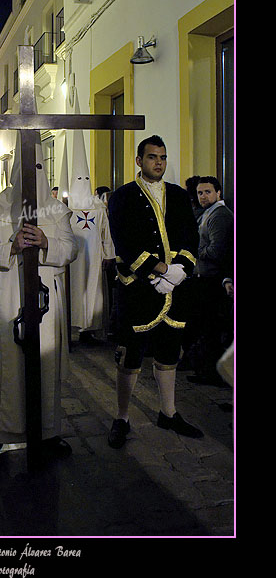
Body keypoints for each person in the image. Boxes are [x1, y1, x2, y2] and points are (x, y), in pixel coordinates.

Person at [0, 134, 78, 461]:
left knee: (46, 363)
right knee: (4, 366)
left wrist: (46, 242)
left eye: (37, 169)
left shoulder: (58, 211)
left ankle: (47, 431)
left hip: (45, 300)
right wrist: (11, 247)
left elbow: (71, 248)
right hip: (6, 293)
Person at [107, 135, 203, 448]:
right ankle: (121, 417)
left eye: (162, 157)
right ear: (139, 160)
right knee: (131, 353)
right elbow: (124, 240)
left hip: (176, 289)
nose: (158, 162)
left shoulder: (177, 194)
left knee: (168, 351)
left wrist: (181, 269)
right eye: (152, 157)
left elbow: (190, 233)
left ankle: (168, 412)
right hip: (138, 288)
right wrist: (158, 269)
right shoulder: (122, 196)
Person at [67, 128, 115, 344]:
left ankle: (91, 329)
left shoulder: (97, 206)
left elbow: (106, 233)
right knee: (73, 291)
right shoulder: (63, 207)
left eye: (86, 177)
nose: (83, 180)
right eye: (79, 177)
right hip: (72, 259)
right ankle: (69, 327)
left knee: (93, 291)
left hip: (94, 258)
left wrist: (108, 255)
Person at [185, 176, 234, 387]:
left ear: (218, 193)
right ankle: (206, 369)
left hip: (213, 281)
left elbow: (217, 250)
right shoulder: (209, 212)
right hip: (205, 278)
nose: (203, 196)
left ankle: (213, 374)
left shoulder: (220, 214)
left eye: (207, 192)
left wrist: (193, 251)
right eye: (199, 193)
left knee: (211, 329)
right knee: (205, 328)